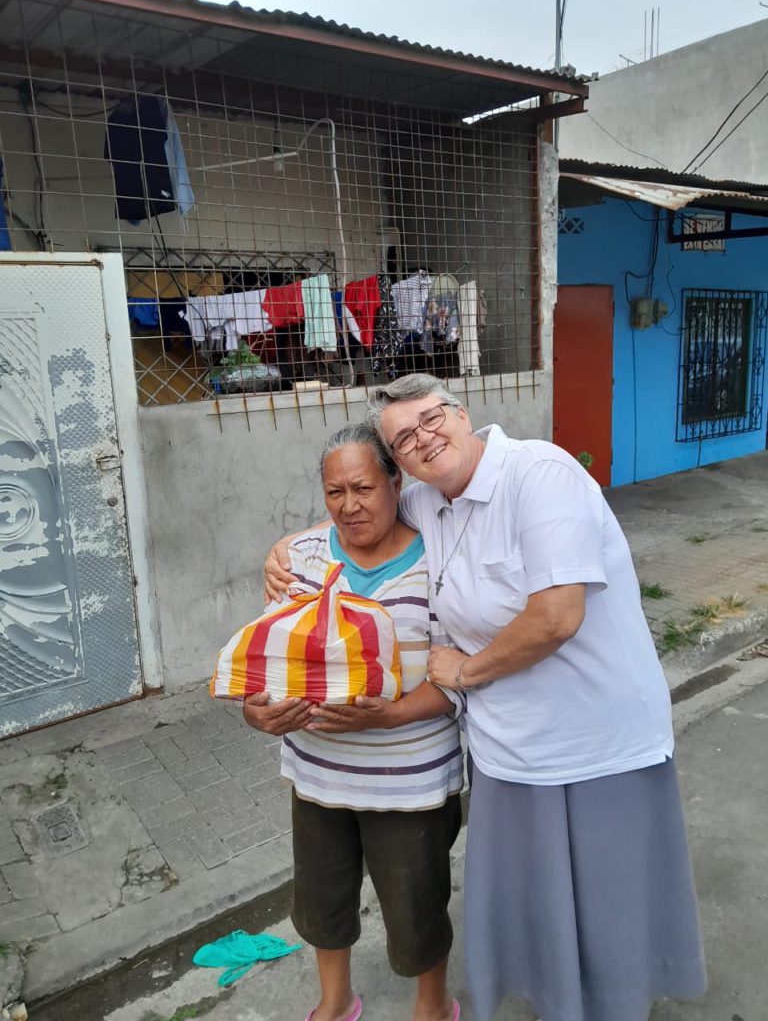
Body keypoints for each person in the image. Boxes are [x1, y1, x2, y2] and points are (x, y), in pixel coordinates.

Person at [265, 375, 707, 1021]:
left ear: (462, 414)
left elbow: (557, 615)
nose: (423, 439)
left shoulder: (540, 475)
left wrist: (467, 670)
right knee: (536, 902)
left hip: (595, 740)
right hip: (507, 750)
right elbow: (360, 507)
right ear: (401, 462)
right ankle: (559, 1004)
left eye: (431, 419)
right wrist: (286, 548)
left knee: (609, 900)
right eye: (404, 438)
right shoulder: (429, 500)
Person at [243, 421, 464, 1021]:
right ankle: (335, 1002)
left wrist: (388, 716)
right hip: (318, 776)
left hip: (410, 781)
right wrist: (255, 707)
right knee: (322, 901)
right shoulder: (301, 559)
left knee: (416, 907)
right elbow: (272, 654)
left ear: (397, 484)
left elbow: (457, 682)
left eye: (363, 488)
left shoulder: (440, 563)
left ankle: (432, 1006)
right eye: (335, 492)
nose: (350, 505)